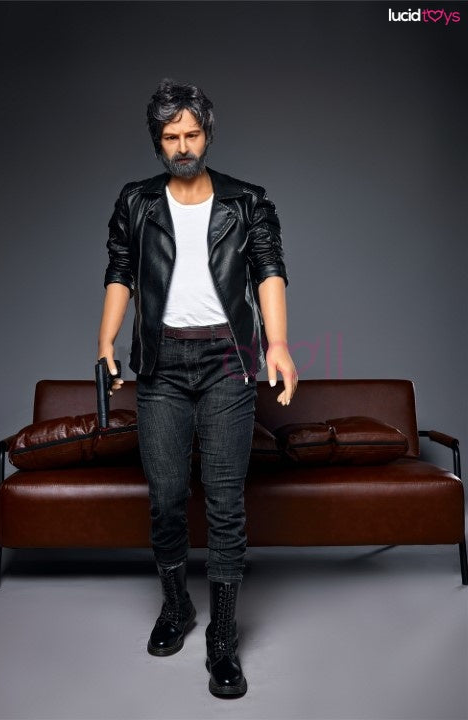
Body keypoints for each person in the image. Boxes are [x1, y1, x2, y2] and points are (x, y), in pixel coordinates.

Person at [97, 77, 298, 699]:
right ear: (157, 141)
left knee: (225, 500)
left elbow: (268, 270)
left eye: (191, 134)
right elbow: (121, 270)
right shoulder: (137, 201)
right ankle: (177, 605)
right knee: (164, 496)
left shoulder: (246, 201)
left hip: (227, 361)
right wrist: (105, 339)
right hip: (160, 363)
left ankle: (224, 635)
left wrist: (278, 343)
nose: (182, 146)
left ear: (208, 134)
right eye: (170, 137)